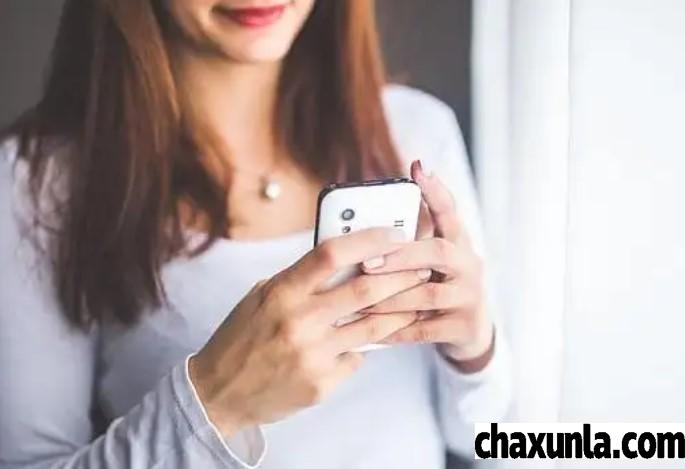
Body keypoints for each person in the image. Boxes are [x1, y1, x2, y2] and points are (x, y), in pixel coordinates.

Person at [0, 1, 511, 467]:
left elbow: (491, 439)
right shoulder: (37, 181)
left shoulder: (417, 131)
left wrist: (473, 352)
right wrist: (217, 403)